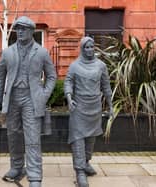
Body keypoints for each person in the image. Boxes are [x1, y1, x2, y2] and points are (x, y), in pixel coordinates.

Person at [0, 16, 57, 187]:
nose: (19, 32)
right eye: (17, 29)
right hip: (12, 97)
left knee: (32, 136)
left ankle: (35, 175)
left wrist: (44, 95)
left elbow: (52, 76)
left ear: (31, 31)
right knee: (13, 135)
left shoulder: (42, 52)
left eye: (23, 29)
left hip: (32, 98)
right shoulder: (8, 52)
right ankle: (16, 167)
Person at [64, 36, 113, 187]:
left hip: (95, 107)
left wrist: (110, 106)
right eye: (86, 47)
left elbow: (106, 86)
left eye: (92, 47)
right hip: (79, 107)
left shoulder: (101, 66)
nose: (90, 50)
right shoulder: (74, 66)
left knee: (91, 138)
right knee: (78, 137)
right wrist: (69, 96)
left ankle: (85, 162)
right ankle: (79, 171)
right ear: (82, 48)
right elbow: (68, 82)